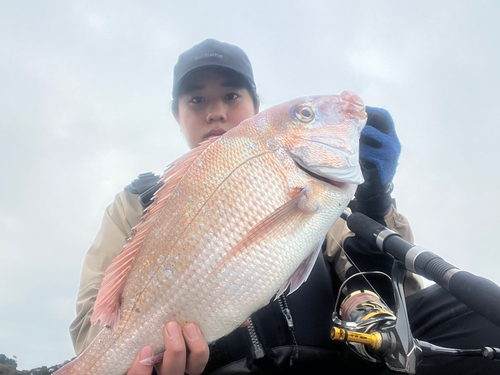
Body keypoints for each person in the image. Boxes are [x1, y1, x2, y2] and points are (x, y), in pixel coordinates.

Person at [70, 39, 499, 375]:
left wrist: (375, 198)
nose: (216, 111)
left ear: (256, 107)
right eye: (196, 100)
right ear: (176, 113)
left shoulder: (325, 196)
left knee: (481, 314)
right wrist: (139, 362)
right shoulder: (134, 204)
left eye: (232, 94)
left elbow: (392, 292)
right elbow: (93, 321)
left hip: (337, 362)